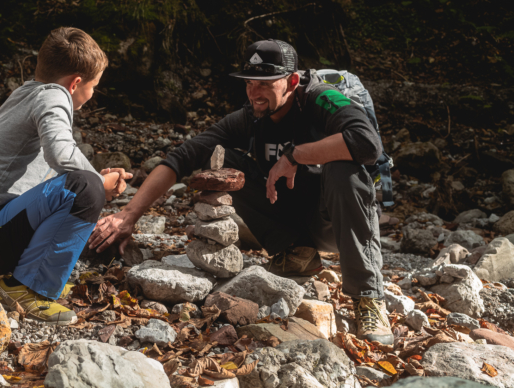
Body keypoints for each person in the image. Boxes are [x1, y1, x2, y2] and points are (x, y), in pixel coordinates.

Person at [89, 39, 394, 345]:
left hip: (332, 220)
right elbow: (183, 156)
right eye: (249, 83)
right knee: (218, 155)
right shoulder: (252, 116)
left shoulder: (321, 99)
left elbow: (367, 144)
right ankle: (296, 251)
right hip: (290, 218)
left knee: (345, 168)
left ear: (292, 81)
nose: (253, 94)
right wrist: (129, 214)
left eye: (264, 84)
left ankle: (368, 298)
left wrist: (295, 155)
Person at [0, 27, 131, 326]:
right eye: (94, 86)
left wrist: (94, 176)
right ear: (76, 83)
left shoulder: (28, 92)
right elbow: (60, 154)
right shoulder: (53, 96)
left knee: (84, 184)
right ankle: (26, 289)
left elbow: (53, 164)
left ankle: (22, 275)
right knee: (85, 189)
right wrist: (98, 180)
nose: (93, 94)